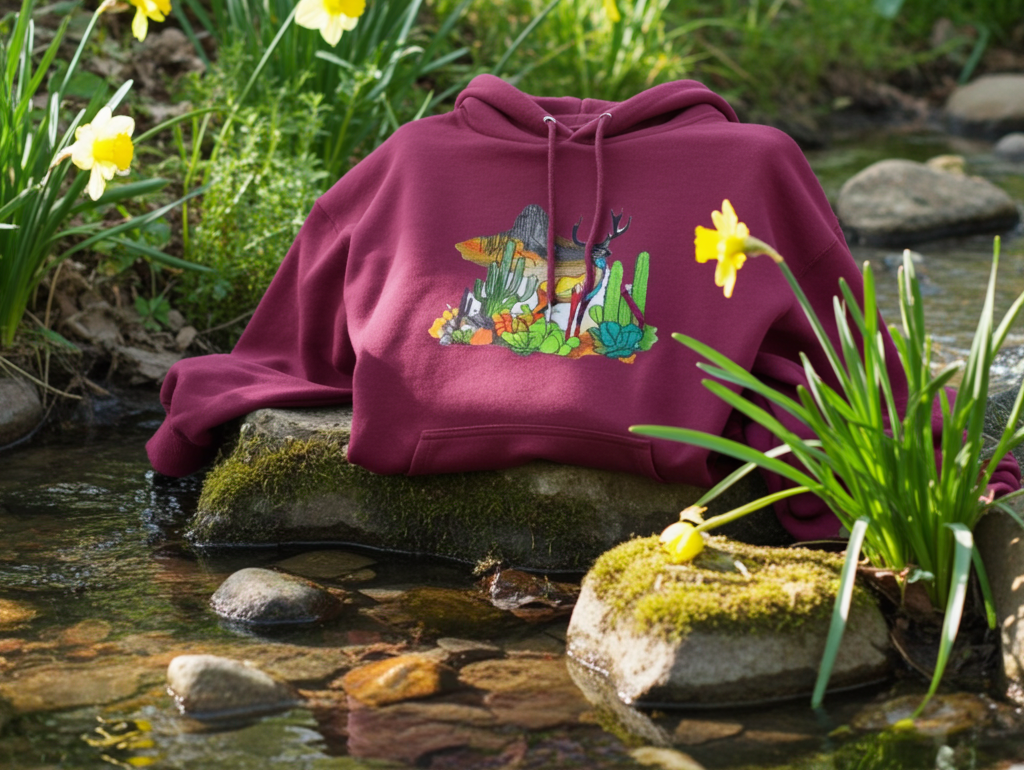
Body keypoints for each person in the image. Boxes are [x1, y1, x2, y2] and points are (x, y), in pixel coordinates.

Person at [145, 75, 1021, 538]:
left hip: (415, 445)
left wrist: (211, 417)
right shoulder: (759, 162)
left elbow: (295, 337)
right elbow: (848, 346)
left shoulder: (409, 158)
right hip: (674, 453)